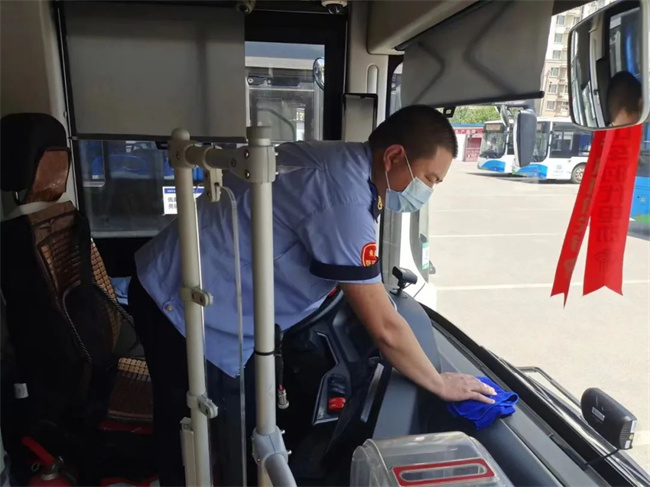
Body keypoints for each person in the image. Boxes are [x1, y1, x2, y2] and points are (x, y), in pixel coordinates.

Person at [129, 105, 497, 486]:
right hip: (177, 302)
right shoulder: (343, 197)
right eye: (429, 178)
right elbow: (385, 328)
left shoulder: (343, 165)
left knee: (209, 422)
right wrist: (439, 382)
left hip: (189, 285)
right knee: (192, 430)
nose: (427, 191)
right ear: (393, 157)